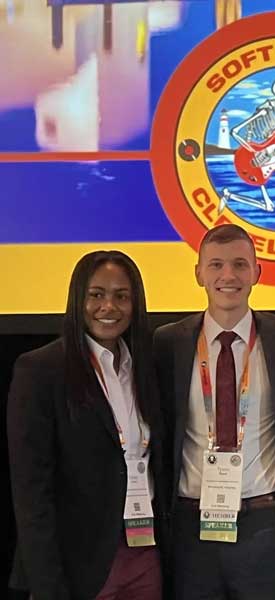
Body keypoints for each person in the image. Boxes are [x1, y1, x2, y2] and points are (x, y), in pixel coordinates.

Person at [153, 223, 275, 600]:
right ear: (198, 273)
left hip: (265, 522)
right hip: (192, 526)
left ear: (257, 272)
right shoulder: (167, 342)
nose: (228, 276)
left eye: (240, 264)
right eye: (216, 265)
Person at [8, 250, 165, 600]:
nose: (109, 306)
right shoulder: (40, 370)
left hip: (144, 553)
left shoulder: (145, 367)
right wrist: (48, 585)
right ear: (78, 299)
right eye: (96, 294)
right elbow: (32, 493)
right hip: (77, 564)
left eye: (121, 296)